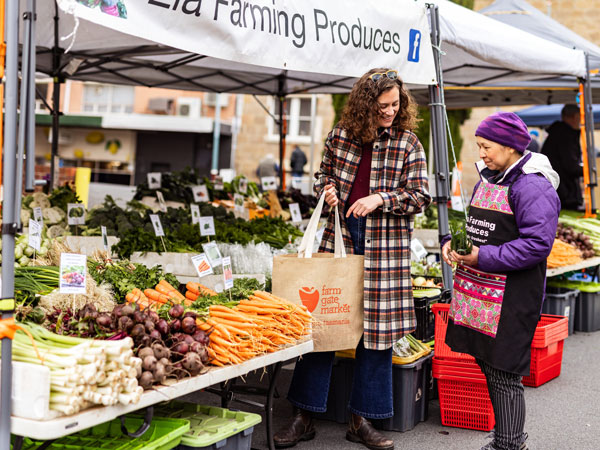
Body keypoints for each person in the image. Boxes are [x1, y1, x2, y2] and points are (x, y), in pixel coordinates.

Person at [273, 68, 431, 450]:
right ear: (364, 105)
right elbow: (322, 175)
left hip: (386, 247)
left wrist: (381, 198)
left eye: (395, 104)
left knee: (375, 337)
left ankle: (362, 420)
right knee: (324, 324)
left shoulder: (409, 143)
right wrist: (327, 190)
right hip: (340, 236)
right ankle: (304, 415)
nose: (390, 111)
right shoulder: (340, 136)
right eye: (382, 106)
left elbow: (420, 196)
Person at [441, 112, 560, 450]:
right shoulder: (491, 178)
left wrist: (483, 257)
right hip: (479, 294)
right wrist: (452, 242)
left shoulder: (532, 186)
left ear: (510, 147)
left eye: (486, 146)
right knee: (489, 365)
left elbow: (537, 245)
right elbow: (476, 223)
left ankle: (509, 443)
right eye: (479, 146)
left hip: (511, 297)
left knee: (504, 371)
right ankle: (506, 441)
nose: (481, 153)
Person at [541, 104, 583, 210]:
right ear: (574, 116)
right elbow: (571, 166)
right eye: (579, 117)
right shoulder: (565, 135)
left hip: (556, 189)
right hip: (564, 192)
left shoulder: (556, 134)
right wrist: (587, 171)